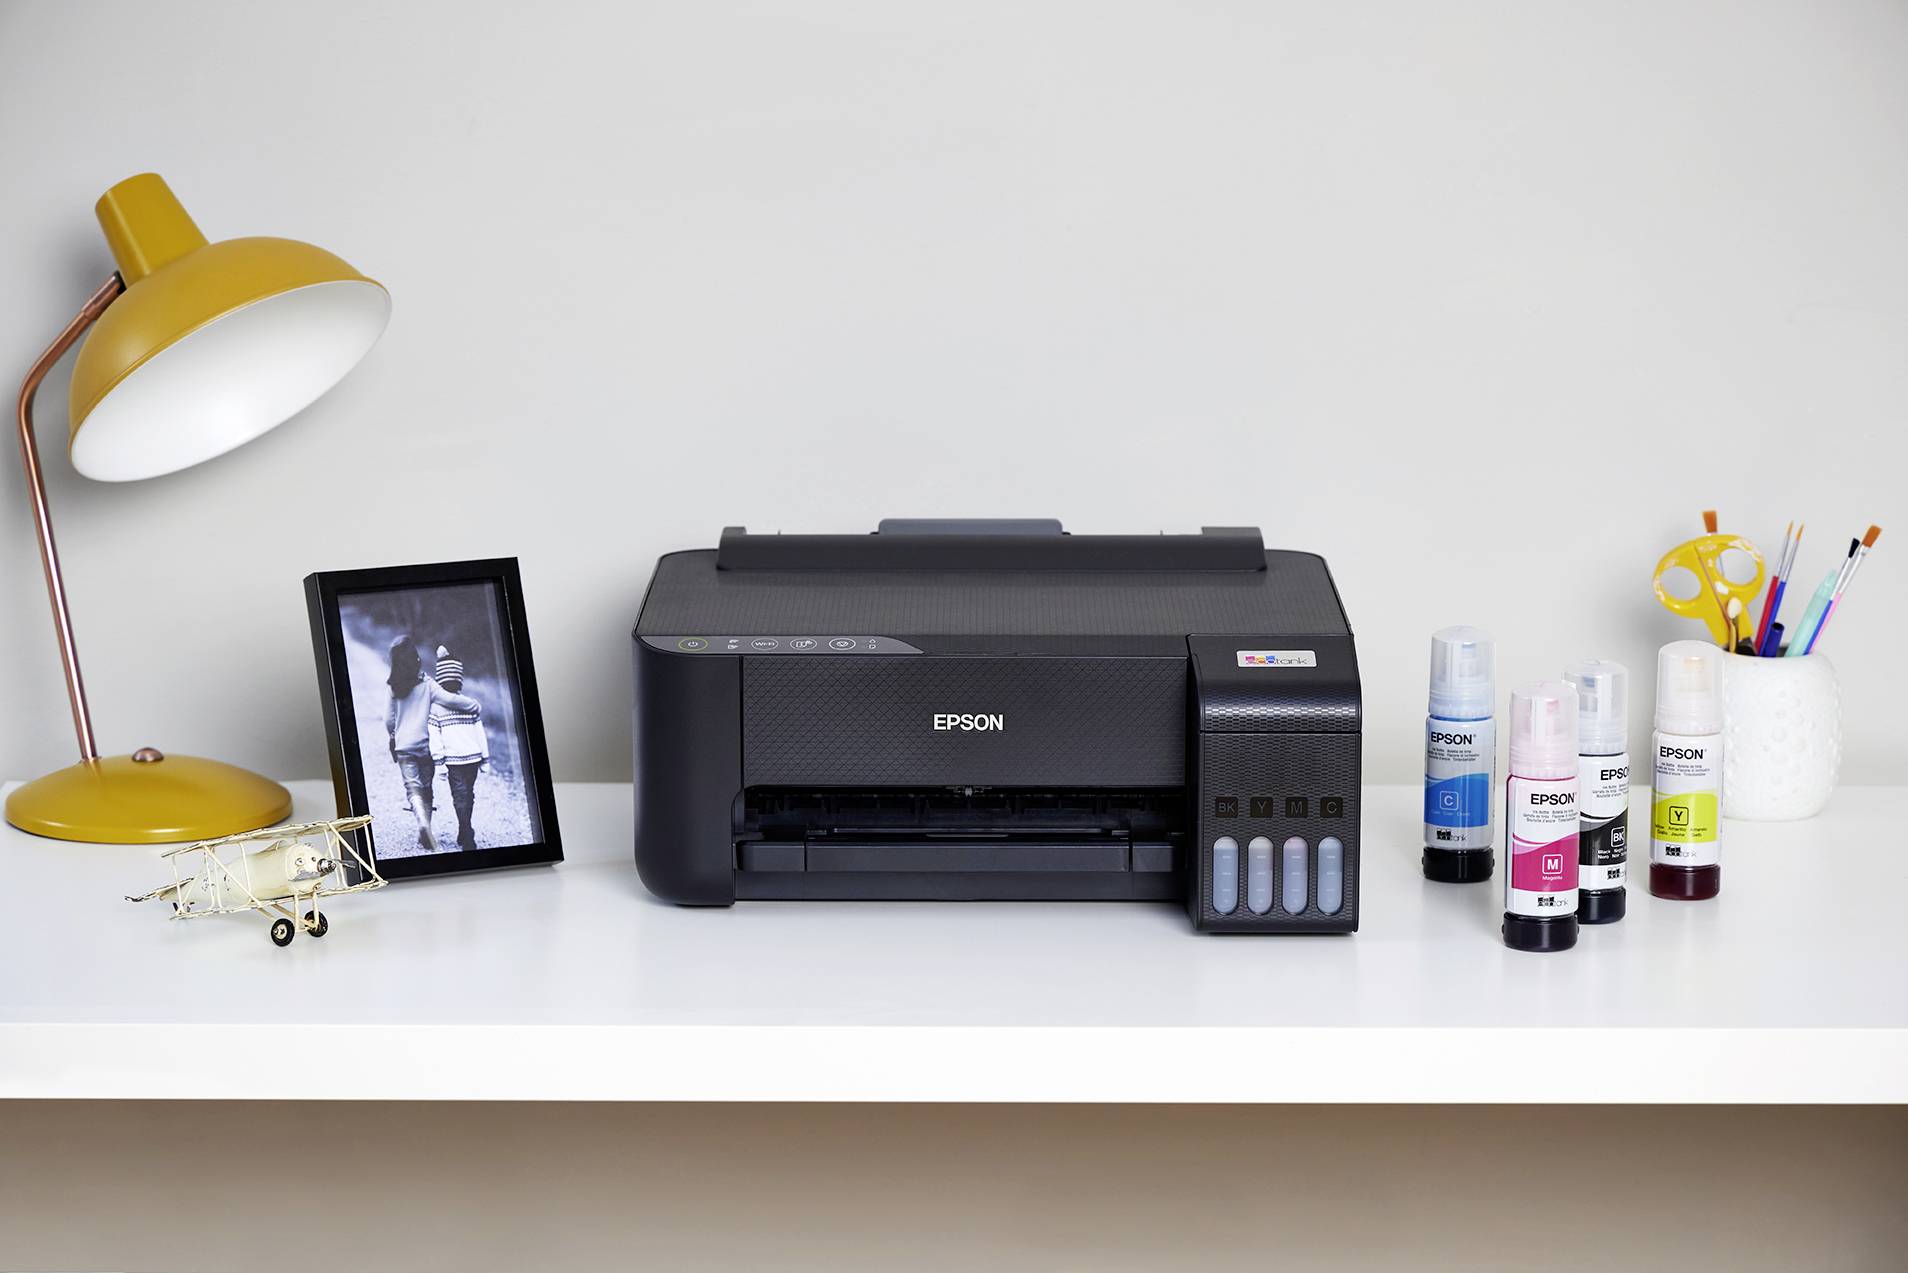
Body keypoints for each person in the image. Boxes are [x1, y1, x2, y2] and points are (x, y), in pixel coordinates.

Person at [384, 636, 480, 853]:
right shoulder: (427, 684)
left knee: (412, 787)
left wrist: (393, 735)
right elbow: (451, 700)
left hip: (404, 747)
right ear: (416, 659)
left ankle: (423, 823)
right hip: (425, 747)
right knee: (427, 788)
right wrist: (474, 705)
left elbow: (388, 719)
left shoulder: (393, 688)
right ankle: (426, 821)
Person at [427, 645, 489, 851]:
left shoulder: (437, 707)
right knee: (467, 795)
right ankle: (467, 833)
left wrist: (439, 762)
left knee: (462, 795)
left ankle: (465, 829)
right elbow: (480, 734)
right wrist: (485, 758)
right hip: (469, 759)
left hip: (458, 760)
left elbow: (435, 738)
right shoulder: (470, 704)